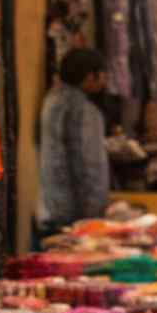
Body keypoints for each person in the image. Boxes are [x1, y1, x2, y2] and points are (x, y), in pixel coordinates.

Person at [38, 48, 111, 233]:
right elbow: (89, 163)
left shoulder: (52, 100)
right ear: (89, 77)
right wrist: (94, 213)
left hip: (51, 203)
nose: (105, 81)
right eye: (102, 75)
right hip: (77, 210)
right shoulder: (84, 110)